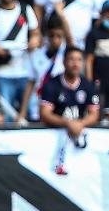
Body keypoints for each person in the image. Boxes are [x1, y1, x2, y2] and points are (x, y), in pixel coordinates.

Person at [40, 46, 101, 174]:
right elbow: (45, 114)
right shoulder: (52, 84)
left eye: (79, 60)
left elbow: (94, 114)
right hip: (55, 136)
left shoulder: (88, 85)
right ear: (64, 62)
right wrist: (68, 123)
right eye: (71, 59)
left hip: (79, 134)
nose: (75, 63)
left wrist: (80, 124)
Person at [22, 18, 67, 122]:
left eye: (59, 36)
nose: (55, 40)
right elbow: (30, 84)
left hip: (61, 109)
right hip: (37, 107)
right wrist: (22, 113)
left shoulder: (67, 57)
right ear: (46, 35)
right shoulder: (36, 55)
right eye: (52, 35)